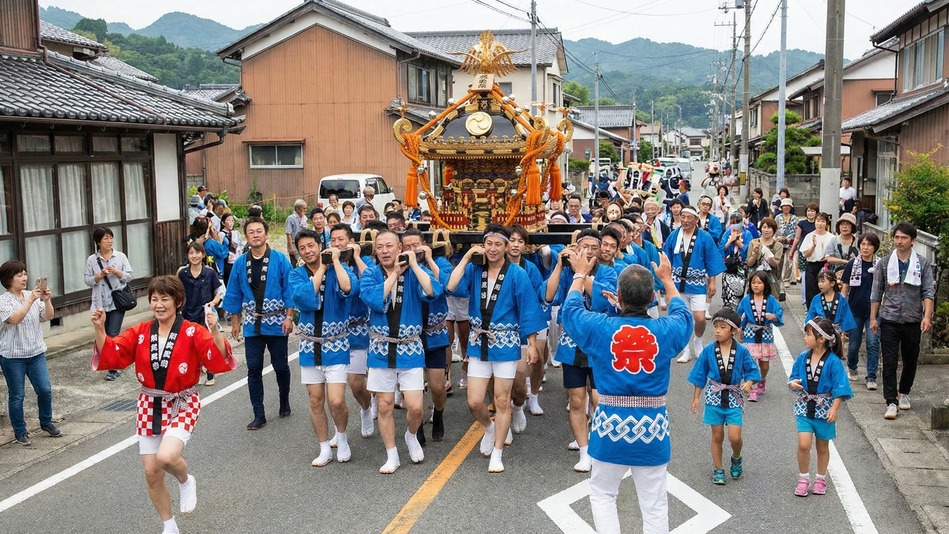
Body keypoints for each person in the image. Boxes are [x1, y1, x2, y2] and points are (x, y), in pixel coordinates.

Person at [91, 276, 236, 534]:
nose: (159, 304)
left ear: (178, 302)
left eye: (165, 299)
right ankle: (169, 526)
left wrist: (215, 329)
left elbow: (217, 357)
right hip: (149, 402)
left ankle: (185, 479)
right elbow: (114, 353)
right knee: (151, 472)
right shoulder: (141, 331)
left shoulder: (192, 331)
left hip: (183, 401)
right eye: (154, 299)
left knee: (166, 457)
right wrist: (100, 329)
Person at [560, 251, 692, 534]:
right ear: (652, 297)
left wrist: (580, 275)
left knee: (603, 493)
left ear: (618, 296)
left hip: (610, 424)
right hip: (652, 428)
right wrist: (668, 280)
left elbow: (570, 311)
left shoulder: (601, 328)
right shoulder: (665, 330)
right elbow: (683, 314)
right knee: (654, 503)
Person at [446, 224, 545, 473]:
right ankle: (489, 428)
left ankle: (498, 453)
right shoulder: (474, 269)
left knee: (502, 400)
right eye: (488, 243)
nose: (492, 249)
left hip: (506, 343)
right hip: (478, 341)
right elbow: (451, 286)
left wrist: (532, 344)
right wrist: (467, 256)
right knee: (474, 401)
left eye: (498, 244)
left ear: (505, 246)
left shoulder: (517, 274)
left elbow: (528, 309)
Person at [361, 230, 441, 473]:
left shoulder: (415, 272)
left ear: (399, 248)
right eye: (380, 247)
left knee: (415, 407)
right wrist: (395, 273)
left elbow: (433, 291)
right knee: (385, 405)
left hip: (411, 347)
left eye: (389, 246)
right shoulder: (370, 274)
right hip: (380, 348)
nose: (384, 251)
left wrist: (414, 265)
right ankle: (392, 454)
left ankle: (411, 434)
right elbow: (373, 299)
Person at [544, 229, 618, 472]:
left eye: (594, 248)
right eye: (583, 247)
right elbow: (549, 296)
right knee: (576, 400)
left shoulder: (608, 272)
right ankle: (585, 452)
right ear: (575, 249)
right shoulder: (566, 272)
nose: (589, 252)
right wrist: (559, 265)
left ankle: (599, 443)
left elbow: (604, 302)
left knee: (600, 399)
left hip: (599, 345)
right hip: (571, 344)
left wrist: (581, 274)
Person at [289, 228, 358, 466]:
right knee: (315, 400)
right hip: (310, 346)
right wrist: (321, 269)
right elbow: (303, 298)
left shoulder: (339, 269)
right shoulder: (297, 274)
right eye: (302, 248)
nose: (307, 251)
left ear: (320, 245)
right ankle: (323, 447)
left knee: (336, 400)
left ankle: (342, 436)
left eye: (311, 245)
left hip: (336, 344)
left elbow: (350, 289)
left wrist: (335, 262)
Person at [223, 217, 296, 430]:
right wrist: (235, 322)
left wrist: (289, 317)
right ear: (246, 236)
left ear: (266, 234)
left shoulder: (280, 259)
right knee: (253, 368)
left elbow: (288, 290)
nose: (255, 235)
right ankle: (259, 414)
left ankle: (284, 398)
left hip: (277, 321)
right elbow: (234, 293)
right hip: (252, 323)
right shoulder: (240, 263)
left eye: (259, 231)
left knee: (280, 366)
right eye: (251, 232)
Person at [870, 222, 935, 420]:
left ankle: (904, 392)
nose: (899, 241)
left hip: (912, 319)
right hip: (889, 318)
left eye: (904, 238)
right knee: (889, 361)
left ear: (912, 240)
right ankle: (891, 401)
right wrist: (873, 318)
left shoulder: (922, 263)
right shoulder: (884, 263)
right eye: (896, 237)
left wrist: (927, 316)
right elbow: (876, 292)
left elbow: (928, 291)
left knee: (910, 359)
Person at [688, 308, 760, 485]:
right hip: (714, 395)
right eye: (716, 327)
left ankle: (736, 456)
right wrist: (696, 397)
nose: (717, 331)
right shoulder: (708, 350)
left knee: (735, 436)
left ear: (734, 330)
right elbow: (700, 374)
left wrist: (749, 382)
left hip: (734, 396)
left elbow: (752, 370)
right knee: (717, 435)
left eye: (722, 327)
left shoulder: (742, 350)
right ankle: (718, 468)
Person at [788, 317, 852, 497]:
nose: (805, 338)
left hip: (825, 408)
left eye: (808, 334)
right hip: (804, 405)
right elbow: (793, 376)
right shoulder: (802, 357)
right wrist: (793, 383)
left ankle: (820, 479)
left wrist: (834, 408)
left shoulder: (833, 362)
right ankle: (803, 478)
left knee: (822, 446)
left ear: (821, 338)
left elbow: (841, 386)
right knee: (804, 443)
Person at [0, 261, 59, 446]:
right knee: (17, 395)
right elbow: (15, 319)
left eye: (25, 274)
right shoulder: (3, 301)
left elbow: (48, 316)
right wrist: (31, 300)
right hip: (12, 356)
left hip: (36, 353)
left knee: (45, 390)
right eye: (19, 275)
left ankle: (46, 422)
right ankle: (20, 431)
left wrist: (47, 300)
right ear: (8, 279)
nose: (24, 278)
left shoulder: (31, 295)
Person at [401, 229, 451, 442]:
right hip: (410, 336)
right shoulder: (400, 267)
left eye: (416, 245)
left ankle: (438, 412)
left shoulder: (440, 263)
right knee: (414, 386)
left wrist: (429, 260)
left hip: (434, 333)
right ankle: (418, 424)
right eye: (407, 246)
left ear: (425, 244)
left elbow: (448, 287)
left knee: (437, 386)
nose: (412, 250)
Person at [663, 206, 727, 362]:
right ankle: (685, 350)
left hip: (697, 283)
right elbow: (666, 258)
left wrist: (712, 283)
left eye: (689, 217)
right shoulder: (674, 236)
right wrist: (665, 282)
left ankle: (698, 341)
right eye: (683, 217)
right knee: (682, 318)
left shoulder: (704, 237)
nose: (685, 220)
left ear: (696, 219)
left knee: (700, 318)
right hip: (677, 283)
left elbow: (711, 260)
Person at [507, 225, 550, 419]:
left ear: (525, 245)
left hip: (531, 315)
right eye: (512, 240)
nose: (516, 245)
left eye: (520, 241)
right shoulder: (496, 265)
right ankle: (513, 399)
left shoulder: (530, 268)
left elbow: (538, 296)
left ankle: (533, 395)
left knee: (538, 358)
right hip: (508, 320)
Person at [84, 226, 134, 381]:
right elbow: (87, 280)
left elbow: (129, 276)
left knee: (113, 334)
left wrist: (116, 272)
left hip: (117, 303)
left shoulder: (120, 257)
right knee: (103, 335)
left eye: (111, 237)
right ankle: (110, 362)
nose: (109, 241)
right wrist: (99, 276)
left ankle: (114, 368)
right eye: (105, 238)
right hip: (99, 303)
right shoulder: (92, 260)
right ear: (98, 242)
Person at [177, 243, 225, 386]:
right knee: (189, 345)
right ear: (187, 255)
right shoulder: (182, 273)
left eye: (197, 253)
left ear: (203, 254)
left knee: (206, 344)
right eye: (191, 253)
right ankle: (194, 373)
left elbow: (219, 292)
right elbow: (175, 291)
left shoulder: (210, 273)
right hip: (187, 314)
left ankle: (210, 372)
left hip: (205, 315)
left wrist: (213, 303)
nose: (194, 256)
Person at [841, 233, 881, 389]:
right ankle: (852, 367)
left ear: (875, 247)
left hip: (874, 312)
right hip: (855, 310)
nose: (865, 247)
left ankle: (871, 377)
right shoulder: (853, 263)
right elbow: (845, 286)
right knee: (854, 344)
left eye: (869, 244)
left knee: (872, 344)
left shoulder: (880, 265)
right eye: (863, 244)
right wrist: (842, 307)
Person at [737, 271, 784, 402]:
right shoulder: (746, 300)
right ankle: (752, 389)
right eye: (753, 282)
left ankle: (761, 380)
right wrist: (740, 331)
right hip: (750, 333)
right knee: (750, 362)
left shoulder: (771, 299)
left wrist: (773, 317)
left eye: (759, 283)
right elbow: (740, 315)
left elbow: (779, 311)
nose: (756, 285)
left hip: (765, 334)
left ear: (765, 284)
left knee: (764, 365)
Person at [799, 212, 835, 309]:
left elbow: (833, 254)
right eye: (818, 221)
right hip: (812, 265)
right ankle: (811, 310)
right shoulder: (809, 236)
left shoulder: (831, 237)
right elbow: (805, 255)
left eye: (822, 221)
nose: (820, 223)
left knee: (825, 289)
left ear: (826, 224)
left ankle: (824, 310)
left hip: (825, 265)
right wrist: (813, 246)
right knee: (811, 290)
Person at [718, 213, 750, 310]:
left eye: (737, 222)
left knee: (740, 289)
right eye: (733, 222)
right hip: (729, 266)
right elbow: (721, 249)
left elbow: (749, 249)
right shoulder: (727, 233)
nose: (735, 225)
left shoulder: (747, 234)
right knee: (728, 290)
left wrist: (738, 243)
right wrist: (730, 241)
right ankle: (728, 308)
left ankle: (738, 310)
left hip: (741, 266)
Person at [746, 217, 783, 299]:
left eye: (769, 228)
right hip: (756, 277)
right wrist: (754, 254)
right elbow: (749, 263)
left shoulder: (778, 245)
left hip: (771, 278)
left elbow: (775, 264)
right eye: (764, 227)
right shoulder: (753, 243)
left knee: (771, 301)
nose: (766, 230)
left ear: (773, 230)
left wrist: (769, 255)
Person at [789, 202, 819, 304]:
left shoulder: (819, 223)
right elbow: (797, 238)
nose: (810, 213)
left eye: (813, 211)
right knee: (805, 276)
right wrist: (792, 251)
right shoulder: (801, 223)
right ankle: (805, 300)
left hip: (817, 252)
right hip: (804, 252)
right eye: (808, 211)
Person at [775, 198, 799, 298]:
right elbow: (775, 229)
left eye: (788, 206)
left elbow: (796, 231)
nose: (786, 207)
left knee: (789, 261)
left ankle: (786, 279)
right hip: (779, 242)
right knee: (779, 261)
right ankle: (778, 278)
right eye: (784, 206)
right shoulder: (778, 217)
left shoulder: (795, 218)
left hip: (791, 243)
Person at [285, 199, 309, 267]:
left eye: (306, 208)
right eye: (304, 208)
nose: (305, 210)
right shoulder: (291, 219)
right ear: (298, 209)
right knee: (295, 265)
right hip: (294, 246)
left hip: (302, 245)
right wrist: (291, 247)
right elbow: (288, 234)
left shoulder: (304, 218)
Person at [220, 213, 242, 284]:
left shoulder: (236, 233)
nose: (231, 222)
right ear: (223, 222)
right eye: (228, 220)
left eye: (232, 220)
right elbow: (219, 248)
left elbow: (240, 245)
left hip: (236, 261)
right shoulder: (221, 234)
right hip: (227, 262)